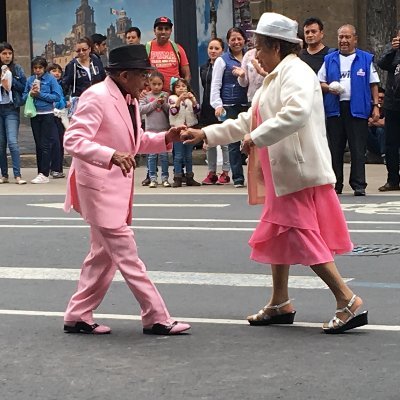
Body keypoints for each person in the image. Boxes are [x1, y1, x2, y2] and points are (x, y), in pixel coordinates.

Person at [182, 12, 368, 334]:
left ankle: (347, 299)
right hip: (282, 174)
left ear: (277, 47)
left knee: (301, 234)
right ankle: (280, 302)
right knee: (280, 233)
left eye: (260, 47)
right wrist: (207, 134)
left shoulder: (296, 73)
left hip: (296, 170)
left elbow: (294, 114)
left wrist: (256, 137)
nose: (256, 54)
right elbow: (249, 120)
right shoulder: (277, 75)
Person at [63, 44, 190, 336]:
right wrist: (110, 155)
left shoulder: (129, 98)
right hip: (99, 188)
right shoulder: (96, 97)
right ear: (123, 75)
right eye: (143, 75)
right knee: (127, 255)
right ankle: (156, 316)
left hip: (113, 188)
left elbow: (134, 140)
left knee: (102, 257)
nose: (148, 81)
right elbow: (73, 140)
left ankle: (77, 314)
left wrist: (164, 138)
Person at [318, 24, 380, 196]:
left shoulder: (366, 59)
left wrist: (376, 106)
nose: (344, 41)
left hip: (358, 109)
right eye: (341, 37)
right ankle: (335, 184)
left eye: (347, 37)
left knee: (358, 149)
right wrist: (329, 88)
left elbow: (373, 83)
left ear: (355, 39)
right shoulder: (329, 59)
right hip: (335, 109)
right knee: (335, 149)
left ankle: (359, 184)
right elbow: (319, 82)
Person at [210, 27, 249, 188]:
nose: (236, 42)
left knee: (252, 140)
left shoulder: (250, 58)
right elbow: (216, 84)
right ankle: (238, 178)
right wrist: (217, 104)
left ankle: (254, 177)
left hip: (248, 103)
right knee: (233, 142)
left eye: (239, 38)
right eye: (233, 39)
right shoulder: (222, 60)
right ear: (228, 42)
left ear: (244, 40)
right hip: (229, 105)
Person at [22, 57, 62, 184]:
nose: (38, 70)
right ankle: (40, 172)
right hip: (35, 114)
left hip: (47, 114)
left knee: (45, 144)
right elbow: (23, 96)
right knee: (38, 144)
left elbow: (56, 96)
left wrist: (40, 94)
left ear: (44, 68)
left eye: (40, 68)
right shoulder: (30, 80)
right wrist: (30, 92)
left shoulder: (50, 79)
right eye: (35, 68)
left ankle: (44, 173)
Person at [199, 38, 230, 185]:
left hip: (221, 106)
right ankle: (211, 172)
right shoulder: (203, 68)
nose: (213, 51)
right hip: (207, 107)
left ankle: (225, 172)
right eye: (211, 48)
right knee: (209, 140)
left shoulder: (224, 66)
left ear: (222, 51)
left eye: (216, 48)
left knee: (224, 141)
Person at [377, 23, 400, 191]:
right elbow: (382, 63)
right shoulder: (393, 50)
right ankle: (392, 180)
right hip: (392, 104)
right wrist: (392, 50)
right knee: (391, 144)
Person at [0, 42, 27, 185]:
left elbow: (24, 87)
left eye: (9, 53)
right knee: (1, 143)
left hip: (11, 109)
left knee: (12, 142)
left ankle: (17, 175)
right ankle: (4, 175)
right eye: (4, 53)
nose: (7, 56)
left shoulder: (17, 69)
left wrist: (10, 81)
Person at [139, 71, 171, 188]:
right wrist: (154, 104)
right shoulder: (146, 96)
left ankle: (165, 178)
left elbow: (171, 111)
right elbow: (141, 110)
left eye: (159, 84)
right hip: (151, 130)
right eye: (154, 84)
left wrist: (163, 104)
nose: (157, 87)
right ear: (149, 84)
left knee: (164, 156)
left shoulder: (166, 95)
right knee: (152, 156)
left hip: (164, 130)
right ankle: (152, 178)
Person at [169, 77, 201, 187]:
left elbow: (197, 110)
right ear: (173, 89)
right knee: (178, 155)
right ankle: (177, 177)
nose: (181, 89)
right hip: (178, 130)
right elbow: (173, 111)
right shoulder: (172, 99)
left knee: (188, 155)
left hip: (189, 130)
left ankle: (189, 177)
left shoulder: (190, 99)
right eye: (178, 87)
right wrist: (179, 100)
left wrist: (193, 100)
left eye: (183, 86)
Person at [62, 37, 106, 115]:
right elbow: (65, 84)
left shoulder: (96, 61)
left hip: (98, 101)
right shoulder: (72, 66)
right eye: (78, 51)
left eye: (84, 50)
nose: (81, 52)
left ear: (89, 49)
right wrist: (63, 100)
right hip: (80, 103)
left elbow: (104, 79)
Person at [146, 17, 191, 92]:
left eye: (166, 29)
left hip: (174, 98)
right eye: (160, 29)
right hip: (152, 98)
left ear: (171, 31)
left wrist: (183, 90)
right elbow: (140, 75)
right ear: (154, 31)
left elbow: (187, 74)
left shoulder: (178, 48)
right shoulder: (147, 48)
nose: (163, 32)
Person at [367, 87, 385, 162]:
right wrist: (378, 122)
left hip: (385, 142)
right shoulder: (369, 109)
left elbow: (384, 123)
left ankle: (385, 156)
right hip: (372, 142)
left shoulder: (388, 109)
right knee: (363, 130)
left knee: (380, 130)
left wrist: (372, 121)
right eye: (378, 98)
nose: (380, 100)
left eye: (382, 98)